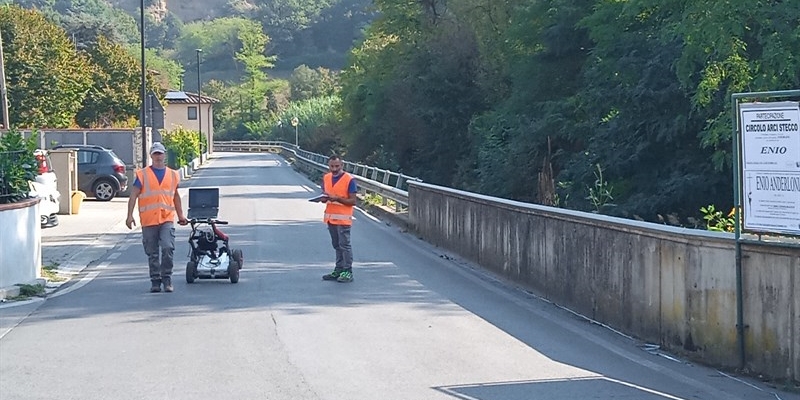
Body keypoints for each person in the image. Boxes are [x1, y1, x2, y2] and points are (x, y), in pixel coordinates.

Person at [126, 142, 188, 293]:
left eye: (160, 153)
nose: (158, 156)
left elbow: (176, 196)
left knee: (167, 247)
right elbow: (133, 195)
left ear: (164, 155)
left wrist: (180, 215)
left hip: (166, 218)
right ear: (151, 156)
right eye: (155, 153)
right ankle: (155, 281)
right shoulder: (142, 174)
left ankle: (167, 279)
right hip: (148, 220)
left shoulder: (173, 175)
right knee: (152, 253)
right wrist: (129, 216)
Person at [321, 155, 358, 283]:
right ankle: (339, 269)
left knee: (344, 245)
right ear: (328, 165)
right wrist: (323, 198)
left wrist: (337, 199)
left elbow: (353, 201)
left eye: (337, 166)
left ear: (342, 166)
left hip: (343, 219)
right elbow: (325, 194)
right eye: (332, 166)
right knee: (337, 245)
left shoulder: (349, 179)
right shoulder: (326, 178)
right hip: (331, 218)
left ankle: (347, 271)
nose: (334, 169)